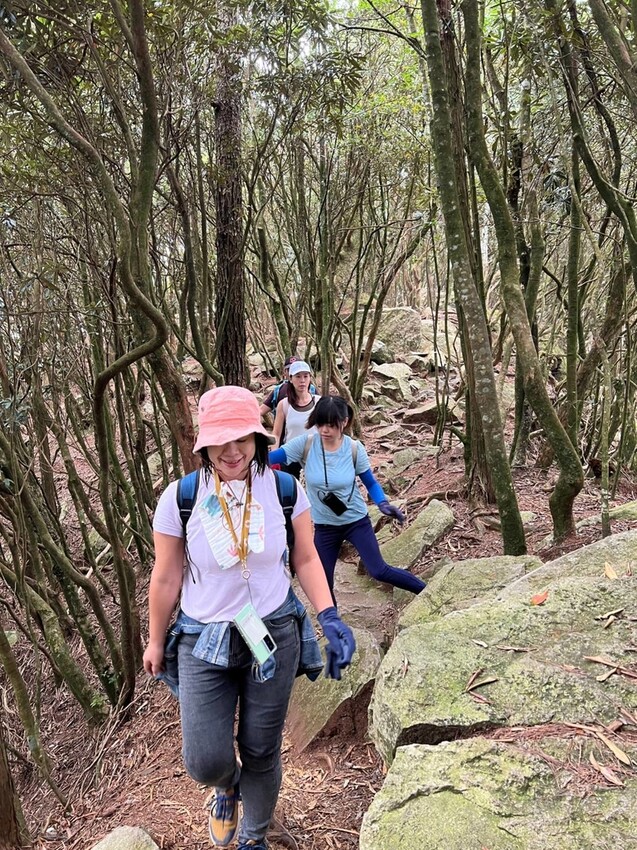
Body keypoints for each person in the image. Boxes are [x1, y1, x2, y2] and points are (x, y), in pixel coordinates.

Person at [143, 386, 355, 850]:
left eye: (242, 437)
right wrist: (156, 640)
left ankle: (253, 837)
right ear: (203, 445)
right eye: (221, 440)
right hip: (204, 636)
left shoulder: (284, 490)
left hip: (273, 632)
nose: (232, 450)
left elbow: (304, 558)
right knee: (204, 759)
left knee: (262, 748)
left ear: (259, 439)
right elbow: (165, 578)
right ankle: (227, 785)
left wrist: (330, 616)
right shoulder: (180, 498)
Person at [268, 395, 426, 604]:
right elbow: (269, 459)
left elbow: (370, 482)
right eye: (320, 423)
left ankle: (427, 592)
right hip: (325, 527)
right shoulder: (305, 444)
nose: (325, 430)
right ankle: (335, 629)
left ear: (344, 422)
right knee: (323, 583)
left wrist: (383, 503)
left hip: (355, 522)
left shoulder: (353, 448)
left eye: (331, 425)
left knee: (379, 571)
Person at [271, 361, 320, 479]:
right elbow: (276, 434)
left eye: (305, 376)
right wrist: (274, 457)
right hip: (290, 458)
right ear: (290, 378)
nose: (302, 380)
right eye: (298, 376)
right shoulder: (284, 405)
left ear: (310, 378)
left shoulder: (319, 402)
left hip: (315, 457)